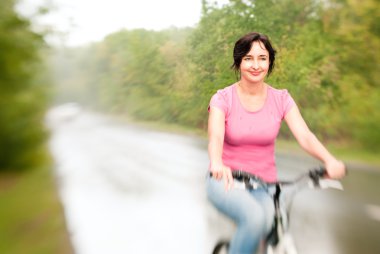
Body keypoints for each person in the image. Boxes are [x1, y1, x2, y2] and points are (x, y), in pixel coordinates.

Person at [206, 32, 346, 254]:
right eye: (248, 58)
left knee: (271, 222)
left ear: (270, 62)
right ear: (238, 61)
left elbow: (305, 135)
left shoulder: (281, 99)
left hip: (265, 185)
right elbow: (215, 137)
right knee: (254, 218)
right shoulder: (222, 99)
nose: (256, 65)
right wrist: (216, 163)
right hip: (226, 180)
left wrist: (329, 160)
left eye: (262, 58)